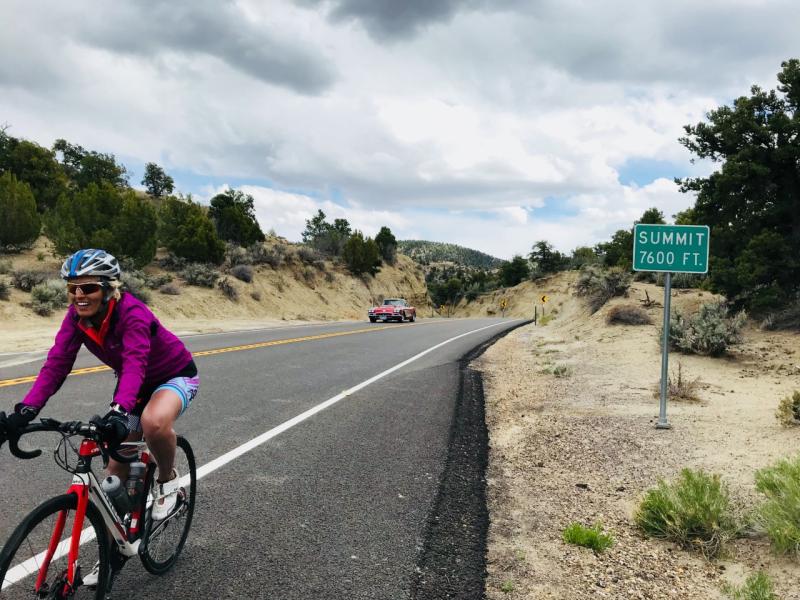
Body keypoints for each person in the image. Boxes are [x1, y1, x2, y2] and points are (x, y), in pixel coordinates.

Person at [0, 249, 199, 527]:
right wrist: (25, 411)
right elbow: (56, 365)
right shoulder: (75, 319)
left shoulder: (132, 313)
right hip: (137, 390)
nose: (79, 295)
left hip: (173, 376)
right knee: (114, 474)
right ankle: (113, 553)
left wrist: (119, 410)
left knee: (152, 422)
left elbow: (134, 363)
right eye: (73, 288)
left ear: (108, 289)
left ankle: (168, 481)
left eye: (88, 287)